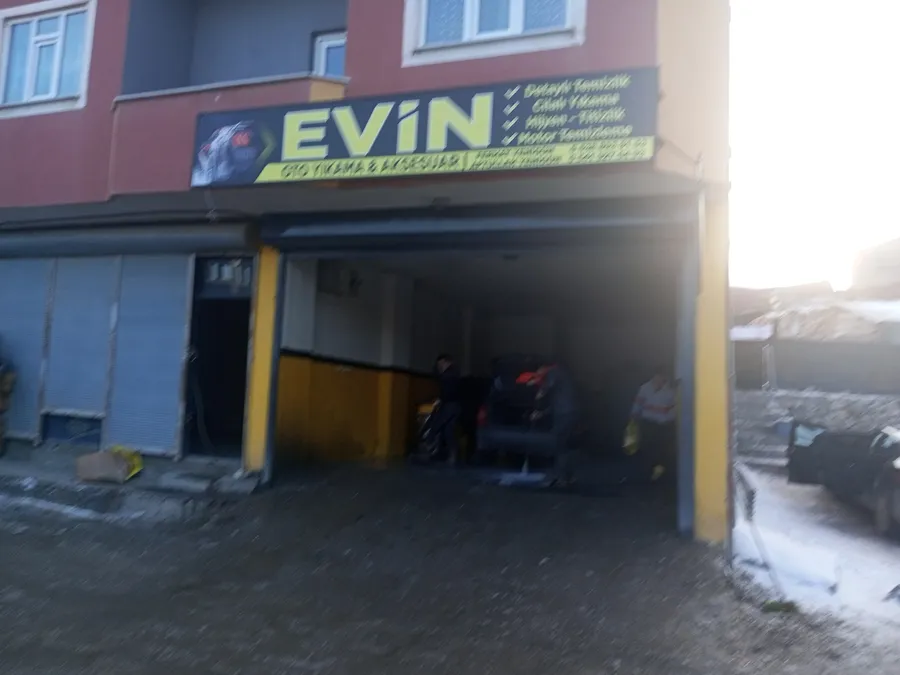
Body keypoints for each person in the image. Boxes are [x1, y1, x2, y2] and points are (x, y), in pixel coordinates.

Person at [529, 364, 579, 486]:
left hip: (564, 415)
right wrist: (541, 413)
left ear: (543, 368)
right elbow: (556, 402)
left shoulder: (554, 372)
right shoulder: (562, 376)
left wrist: (539, 392)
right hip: (568, 413)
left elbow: (547, 387)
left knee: (559, 445)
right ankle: (568, 477)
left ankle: (561, 478)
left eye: (538, 373)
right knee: (565, 445)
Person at [630, 367, 677, 482]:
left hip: (664, 427)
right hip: (648, 424)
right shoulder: (645, 388)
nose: (659, 379)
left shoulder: (671, 391)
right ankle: (646, 477)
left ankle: (663, 478)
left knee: (663, 452)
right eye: (657, 376)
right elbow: (638, 403)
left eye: (662, 376)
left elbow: (675, 408)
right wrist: (634, 415)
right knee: (647, 451)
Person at [434, 354, 462, 466]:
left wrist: (440, 400)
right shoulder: (455, 373)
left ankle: (445, 453)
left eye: (441, 364)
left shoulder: (447, 376)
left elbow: (446, 392)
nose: (440, 366)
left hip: (449, 405)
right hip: (454, 405)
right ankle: (452, 455)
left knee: (442, 428)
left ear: (447, 362)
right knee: (449, 429)